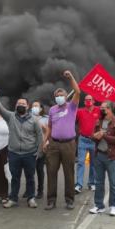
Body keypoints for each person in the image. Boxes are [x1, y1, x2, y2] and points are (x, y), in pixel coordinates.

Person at [0, 92, 43, 209]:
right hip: (14, 154)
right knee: (15, 178)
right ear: (15, 106)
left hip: (30, 154)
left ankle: (31, 198)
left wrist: (39, 151)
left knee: (30, 177)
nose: (21, 105)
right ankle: (13, 199)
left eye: (23, 104)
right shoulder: (10, 117)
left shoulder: (34, 120)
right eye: (19, 103)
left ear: (27, 106)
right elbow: (0, 108)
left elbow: (39, 135)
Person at [42, 70, 80, 210]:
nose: (59, 97)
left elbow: (77, 91)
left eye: (62, 95)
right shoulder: (52, 110)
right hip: (54, 144)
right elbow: (50, 127)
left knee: (69, 173)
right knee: (51, 172)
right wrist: (45, 141)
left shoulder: (72, 107)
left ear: (66, 97)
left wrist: (70, 77)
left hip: (69, 144)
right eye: (57, 96)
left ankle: (69, 200)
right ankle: (51, 200)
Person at [89, 100, 115, 216]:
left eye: (103, 108)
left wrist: (104, 135)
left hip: (111, 157)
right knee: (99, 182)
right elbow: (92, 136)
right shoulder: (98, 121)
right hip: (99, 155)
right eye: (101, 108)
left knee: (113, 182)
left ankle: (114, 206)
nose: (101, 109)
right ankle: (99, 205)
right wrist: (95, 136)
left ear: (109, 109)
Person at [29, 101, 48, 200]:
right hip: (29, 147)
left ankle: (40, 190)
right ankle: (29, 190)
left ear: (41, 108)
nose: (34, 108)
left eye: (36, 106)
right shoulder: (27, 117)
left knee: (39, 170)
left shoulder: (46, 119)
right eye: (33, 106)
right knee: (29, 170)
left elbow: (49, 132)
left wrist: (44, 143)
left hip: (41, 147)